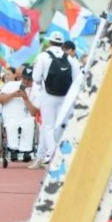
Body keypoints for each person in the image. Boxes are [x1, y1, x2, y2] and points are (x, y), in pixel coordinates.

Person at [30, 31, 81, 169]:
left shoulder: (42, 56)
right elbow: (77, 79)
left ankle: (51, 154)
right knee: (59, 127)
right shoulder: (71, 59)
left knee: (47, 126)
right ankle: (54, 154)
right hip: (65, 97)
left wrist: (42, 85)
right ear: (62, 43)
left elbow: (35, 78)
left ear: (49, 42)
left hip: (48, 96)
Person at [0, 65, 39, 162]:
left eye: (29, 79)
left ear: (33, 80)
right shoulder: (11, 85)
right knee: (12, 124)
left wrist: (26, 98)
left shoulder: (36, 91)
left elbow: (33, 112)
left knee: (29, 122)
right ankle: (13, 150)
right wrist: (13, 95)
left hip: (26, 118)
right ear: (21, 77)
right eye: (24, 78)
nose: (26, 81)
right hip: (10, 116)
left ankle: (26, 151)